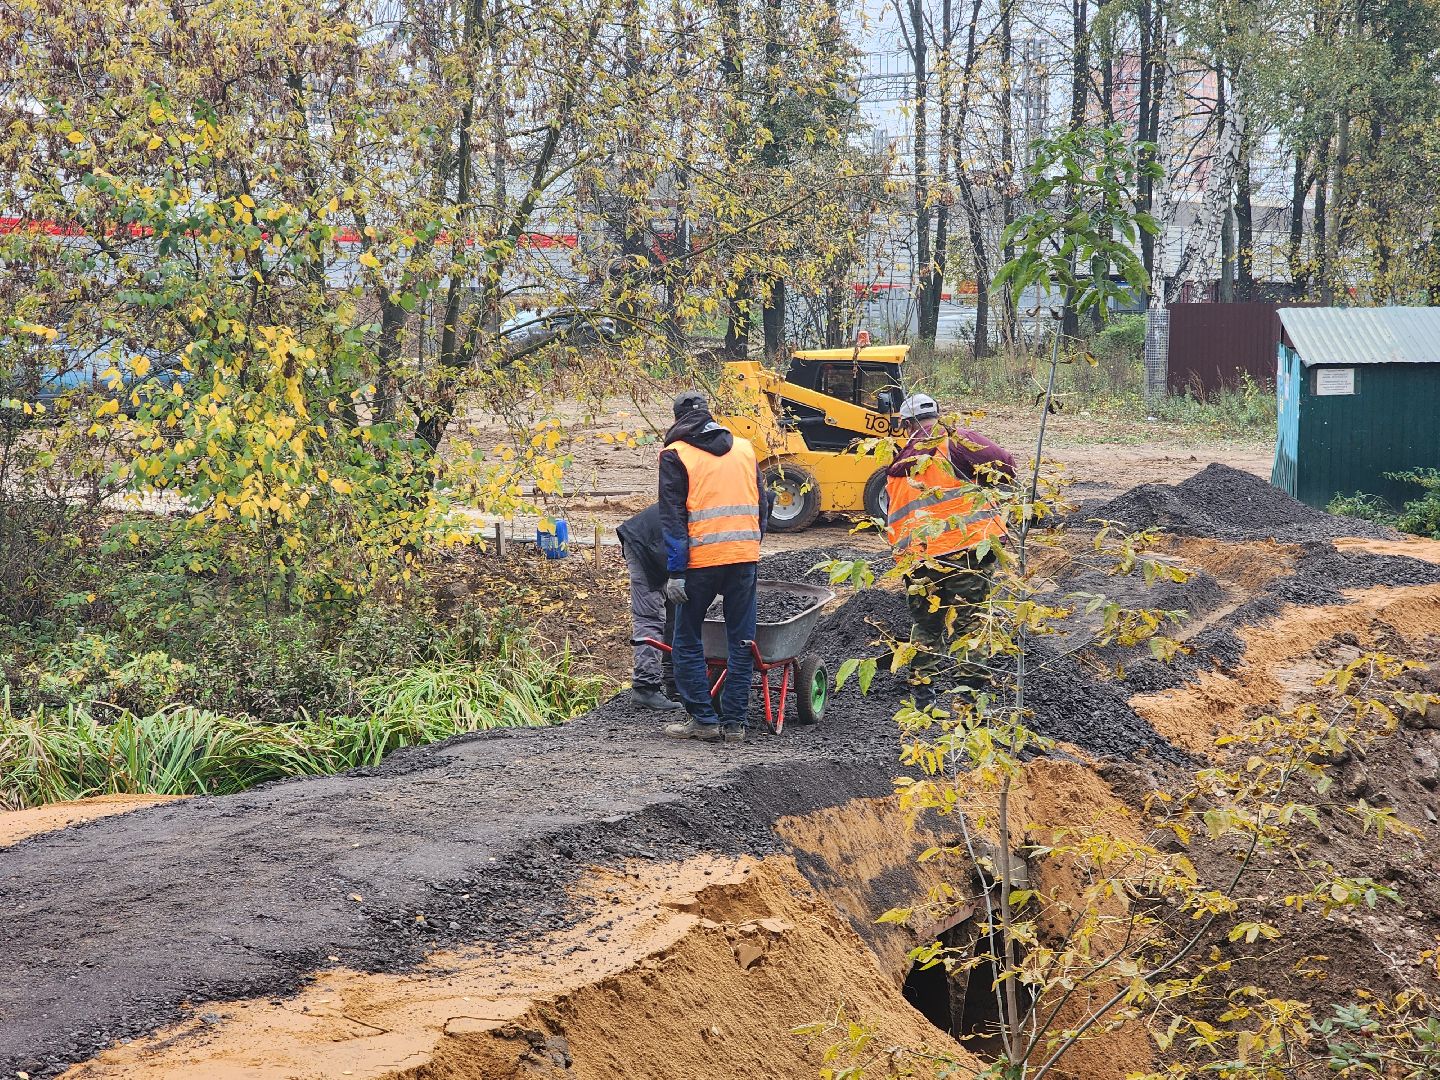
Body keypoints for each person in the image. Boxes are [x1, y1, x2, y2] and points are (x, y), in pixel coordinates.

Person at [885, 392, 1016, 708]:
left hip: (917, 558)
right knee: (971, 620)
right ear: (938, 416)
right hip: (966, 550)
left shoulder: (896, 466)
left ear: (905, 425)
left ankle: (922, 699)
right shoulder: (956, 441)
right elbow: (1006, 465)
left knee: (926, 625)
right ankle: (969, 698)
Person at [658, 391, 772, 743]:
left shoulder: (675, 454)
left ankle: (704, 720)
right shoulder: (744, 448)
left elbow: (673, 517)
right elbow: (762, 504)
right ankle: (736, 722)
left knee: (687, 638)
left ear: (678, 419)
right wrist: (752, 544)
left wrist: (675, 572)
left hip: (700, 563)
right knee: (742, 639)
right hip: (743, 555)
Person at [616, 504, 680, 710]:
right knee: (650, 617)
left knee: (676, 612)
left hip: (664, 548)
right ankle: (645, 688)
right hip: (645, 545)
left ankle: (674, 682)